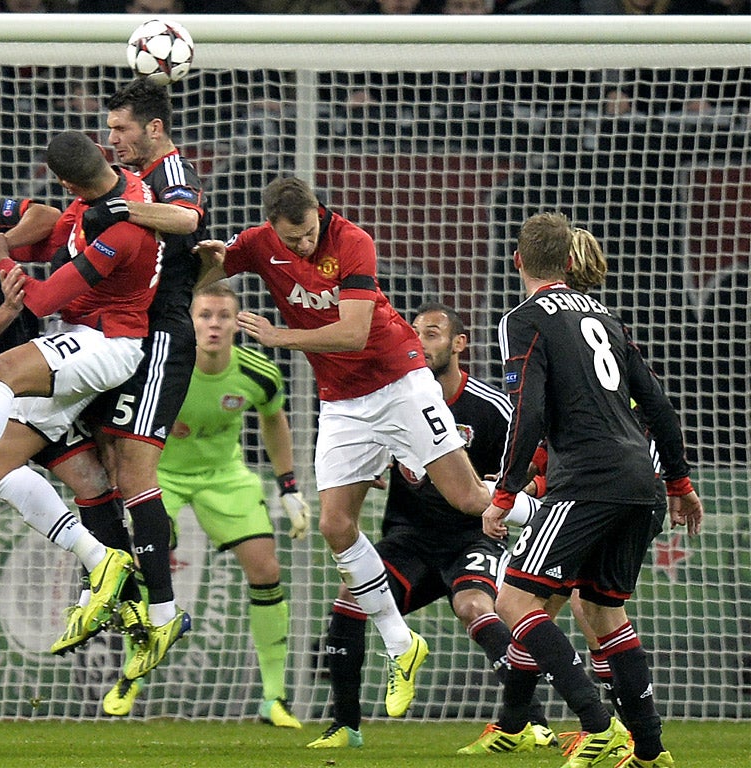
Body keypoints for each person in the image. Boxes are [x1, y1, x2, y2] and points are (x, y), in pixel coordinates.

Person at [194, 177, 493, 719]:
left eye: (310, 233)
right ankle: (401, 644)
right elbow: (212, 271)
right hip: (344, 401)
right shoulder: (259, 244)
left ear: (318, 215)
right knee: (335, 525)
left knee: (469, 498)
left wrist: (280, 337)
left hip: (398, 381)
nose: (305, 245)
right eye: (294, 238)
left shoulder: (352, 241)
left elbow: (353, 332)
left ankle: (564, 514)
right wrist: (191, 264)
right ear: (273, 229)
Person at [0, 131, 169, 696]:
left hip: (40, 373)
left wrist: (3, 241)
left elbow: (45, 217)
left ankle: (130, 603)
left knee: (94, 481)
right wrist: (12, 305)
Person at [483, 212, 703, 768]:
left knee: (513, 599)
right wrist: (679, 480)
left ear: (518, 260)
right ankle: (650, 750)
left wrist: (505, 493)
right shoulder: (605, 315)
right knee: (604, 613)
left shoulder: (524, 318)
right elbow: (656, 403)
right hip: (641, 482)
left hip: (587, 480)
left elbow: (526, 410)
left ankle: (596, 724)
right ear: (569, 261)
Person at [308, 303, 553, 751]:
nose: (421, 341)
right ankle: (345, 725)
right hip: (410, 538)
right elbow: (357, 445)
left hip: (471, 537)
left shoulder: (491, 407)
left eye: (434, 333)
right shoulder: (389, 399)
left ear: (460, 344)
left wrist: (520, 489)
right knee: (350, 600)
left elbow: (538, 460)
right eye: (415, 333)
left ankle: (529, 721)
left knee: (476, 607)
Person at [53, 78, 211, 712]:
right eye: (108, 131)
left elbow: (187, 218)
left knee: (136, 467)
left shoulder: (168, 170)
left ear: (152, 128)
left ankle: (164, 609)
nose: (111, 140)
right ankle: (124, 598)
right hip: (119, 333)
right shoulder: (124, 180)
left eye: (120, 130)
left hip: (164, 337)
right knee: (98, 470)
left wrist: (122, 207)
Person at [129, 281, 310, 727]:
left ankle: (273, 698)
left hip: (224, 476)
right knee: (141, 562)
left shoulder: (258, 373)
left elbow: (274, 420)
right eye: (204, 315)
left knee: (266, 570)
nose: (213, 325)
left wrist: (289, 486)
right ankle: (130, 676)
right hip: (162, 473)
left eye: (222, 316)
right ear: (190, 321)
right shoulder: (164, 364)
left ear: (237, 323)